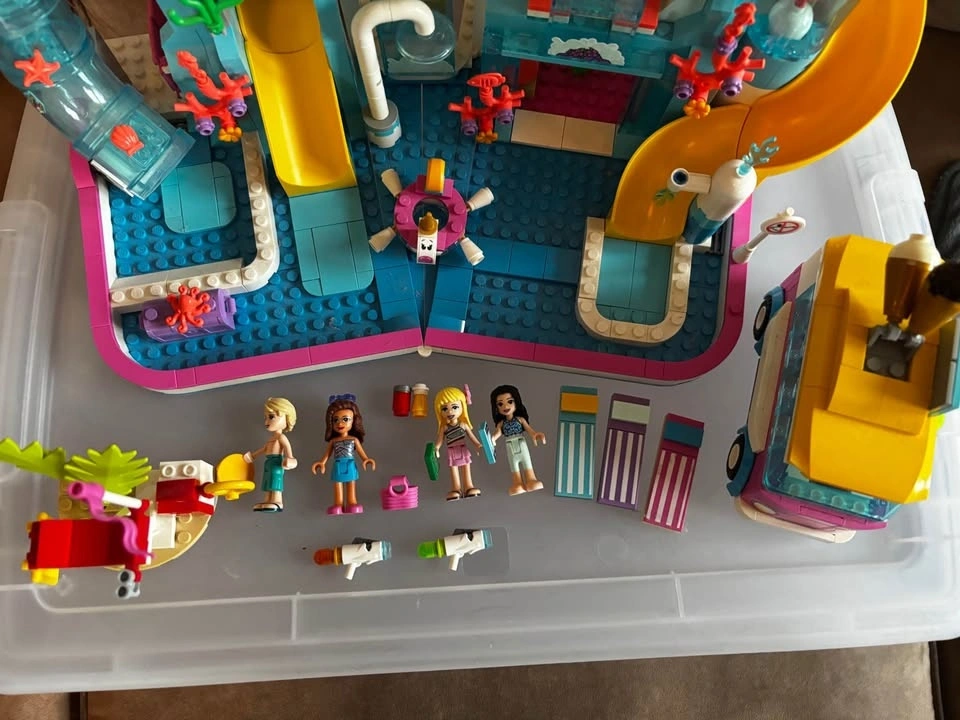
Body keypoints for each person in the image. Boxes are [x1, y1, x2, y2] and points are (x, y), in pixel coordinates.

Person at [312, 395, 375, 515]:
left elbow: (361, 452)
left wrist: (366, 459)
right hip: (337, 464)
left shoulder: (353, 440)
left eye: (345, 419)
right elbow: (327, 454)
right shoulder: (333, 441)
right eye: (336, 420)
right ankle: (338, 504)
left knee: (351, 483)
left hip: (350, 463)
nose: (340, 423)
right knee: (338, 484)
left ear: (354, 421)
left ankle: (352, 502)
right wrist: (322, 463)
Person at [243, 397, 298, 512]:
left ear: (286, 418)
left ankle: (278, 501)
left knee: (275, 481)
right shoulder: (272, 439)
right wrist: (253, 456)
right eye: (266, 418)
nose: (266, 422)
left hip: (277, 463)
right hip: (268, 463)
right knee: (267, 482)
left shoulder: (281, 437)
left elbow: (288, 451)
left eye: (271, 417)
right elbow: (264, 449)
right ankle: (267, 500)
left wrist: (290, 459)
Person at [490, 384, 546, 495]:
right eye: (500, 404)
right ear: (496, 407)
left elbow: (529, 430)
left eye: (510, 401)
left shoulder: (520, 419)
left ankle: (531, 480)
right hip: (509, 445)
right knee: (514, 465)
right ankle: (517, 483)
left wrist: (535, 435)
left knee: (527, 461)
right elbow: (498, 433)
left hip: (521, 443)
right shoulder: (501, 423)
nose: (505, 406)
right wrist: (492, 439)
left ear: (516, 402)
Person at [434, 386, 482, 501]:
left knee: (466, 467)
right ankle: (456, 488)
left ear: (462, 407)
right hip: (451, 450)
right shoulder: (444, 428)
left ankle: (469, 486)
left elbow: (472, 437)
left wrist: (478, 445)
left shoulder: (463, 425)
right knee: (454, 469)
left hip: (463, 449)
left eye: (454, 407)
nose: (450, 411)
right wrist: (436, 448)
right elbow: (440, 441)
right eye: (444, 409)